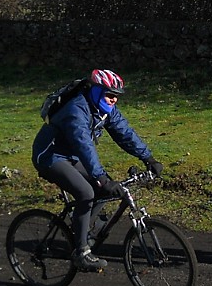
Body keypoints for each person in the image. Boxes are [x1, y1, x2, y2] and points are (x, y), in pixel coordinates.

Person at [32, 68, 164, 272]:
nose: (113, 100)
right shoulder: (76, 110)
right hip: (50, 156)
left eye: (117, 97)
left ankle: (82, 233)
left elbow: (124, 133)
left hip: (72, 156)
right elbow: (84, 144)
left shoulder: (104, 110)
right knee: (86, 192)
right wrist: (101, 177)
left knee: (102, 190)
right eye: (110, 95)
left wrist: (148, 158)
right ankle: (81, 252)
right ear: (95, 91)